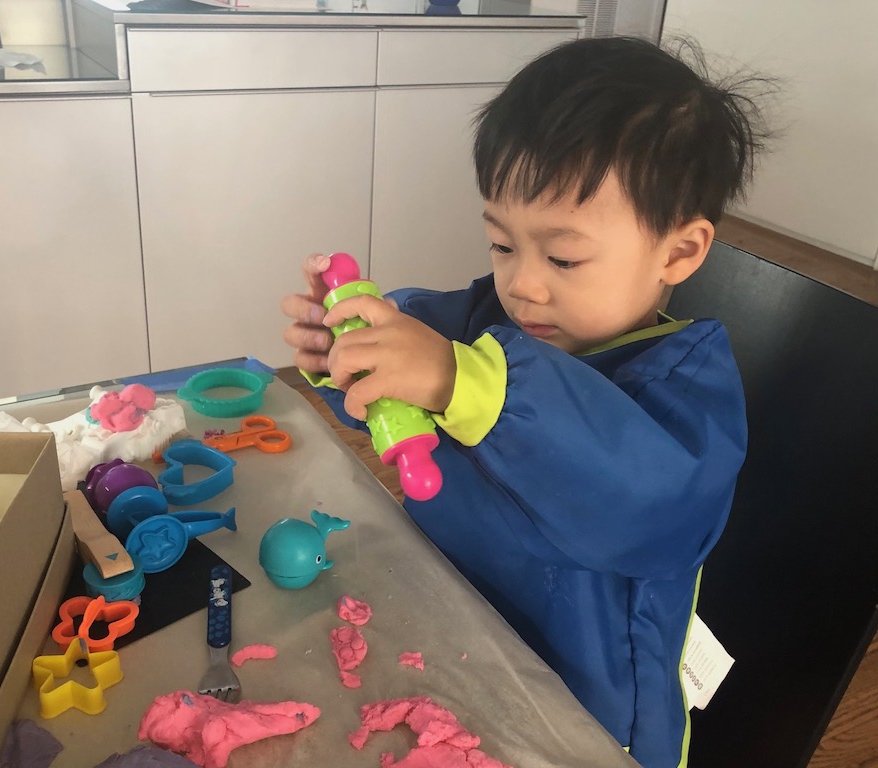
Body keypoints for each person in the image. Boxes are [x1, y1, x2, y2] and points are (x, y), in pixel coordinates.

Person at [281, 35, 768, 768]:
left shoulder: (686, 388)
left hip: (588, 714)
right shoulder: (482, 325)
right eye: (502, 246)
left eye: (562, 257)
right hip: (455, 643)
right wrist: (350, 353)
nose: (525, 286)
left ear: (679, 252)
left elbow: (643, 501)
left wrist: (460, 383)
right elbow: (413, 357)